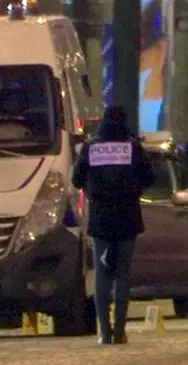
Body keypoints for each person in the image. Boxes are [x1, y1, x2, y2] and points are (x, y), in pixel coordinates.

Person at [72, 106, 155, 345]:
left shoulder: (91, 147)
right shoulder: (133, 147)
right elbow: (149, 178)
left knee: (102, 274)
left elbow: (76, 179)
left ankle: (104, 331)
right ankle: (120, 329)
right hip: (127, 217)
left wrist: (93, 186)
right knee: (122, 275)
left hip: (100, 218)